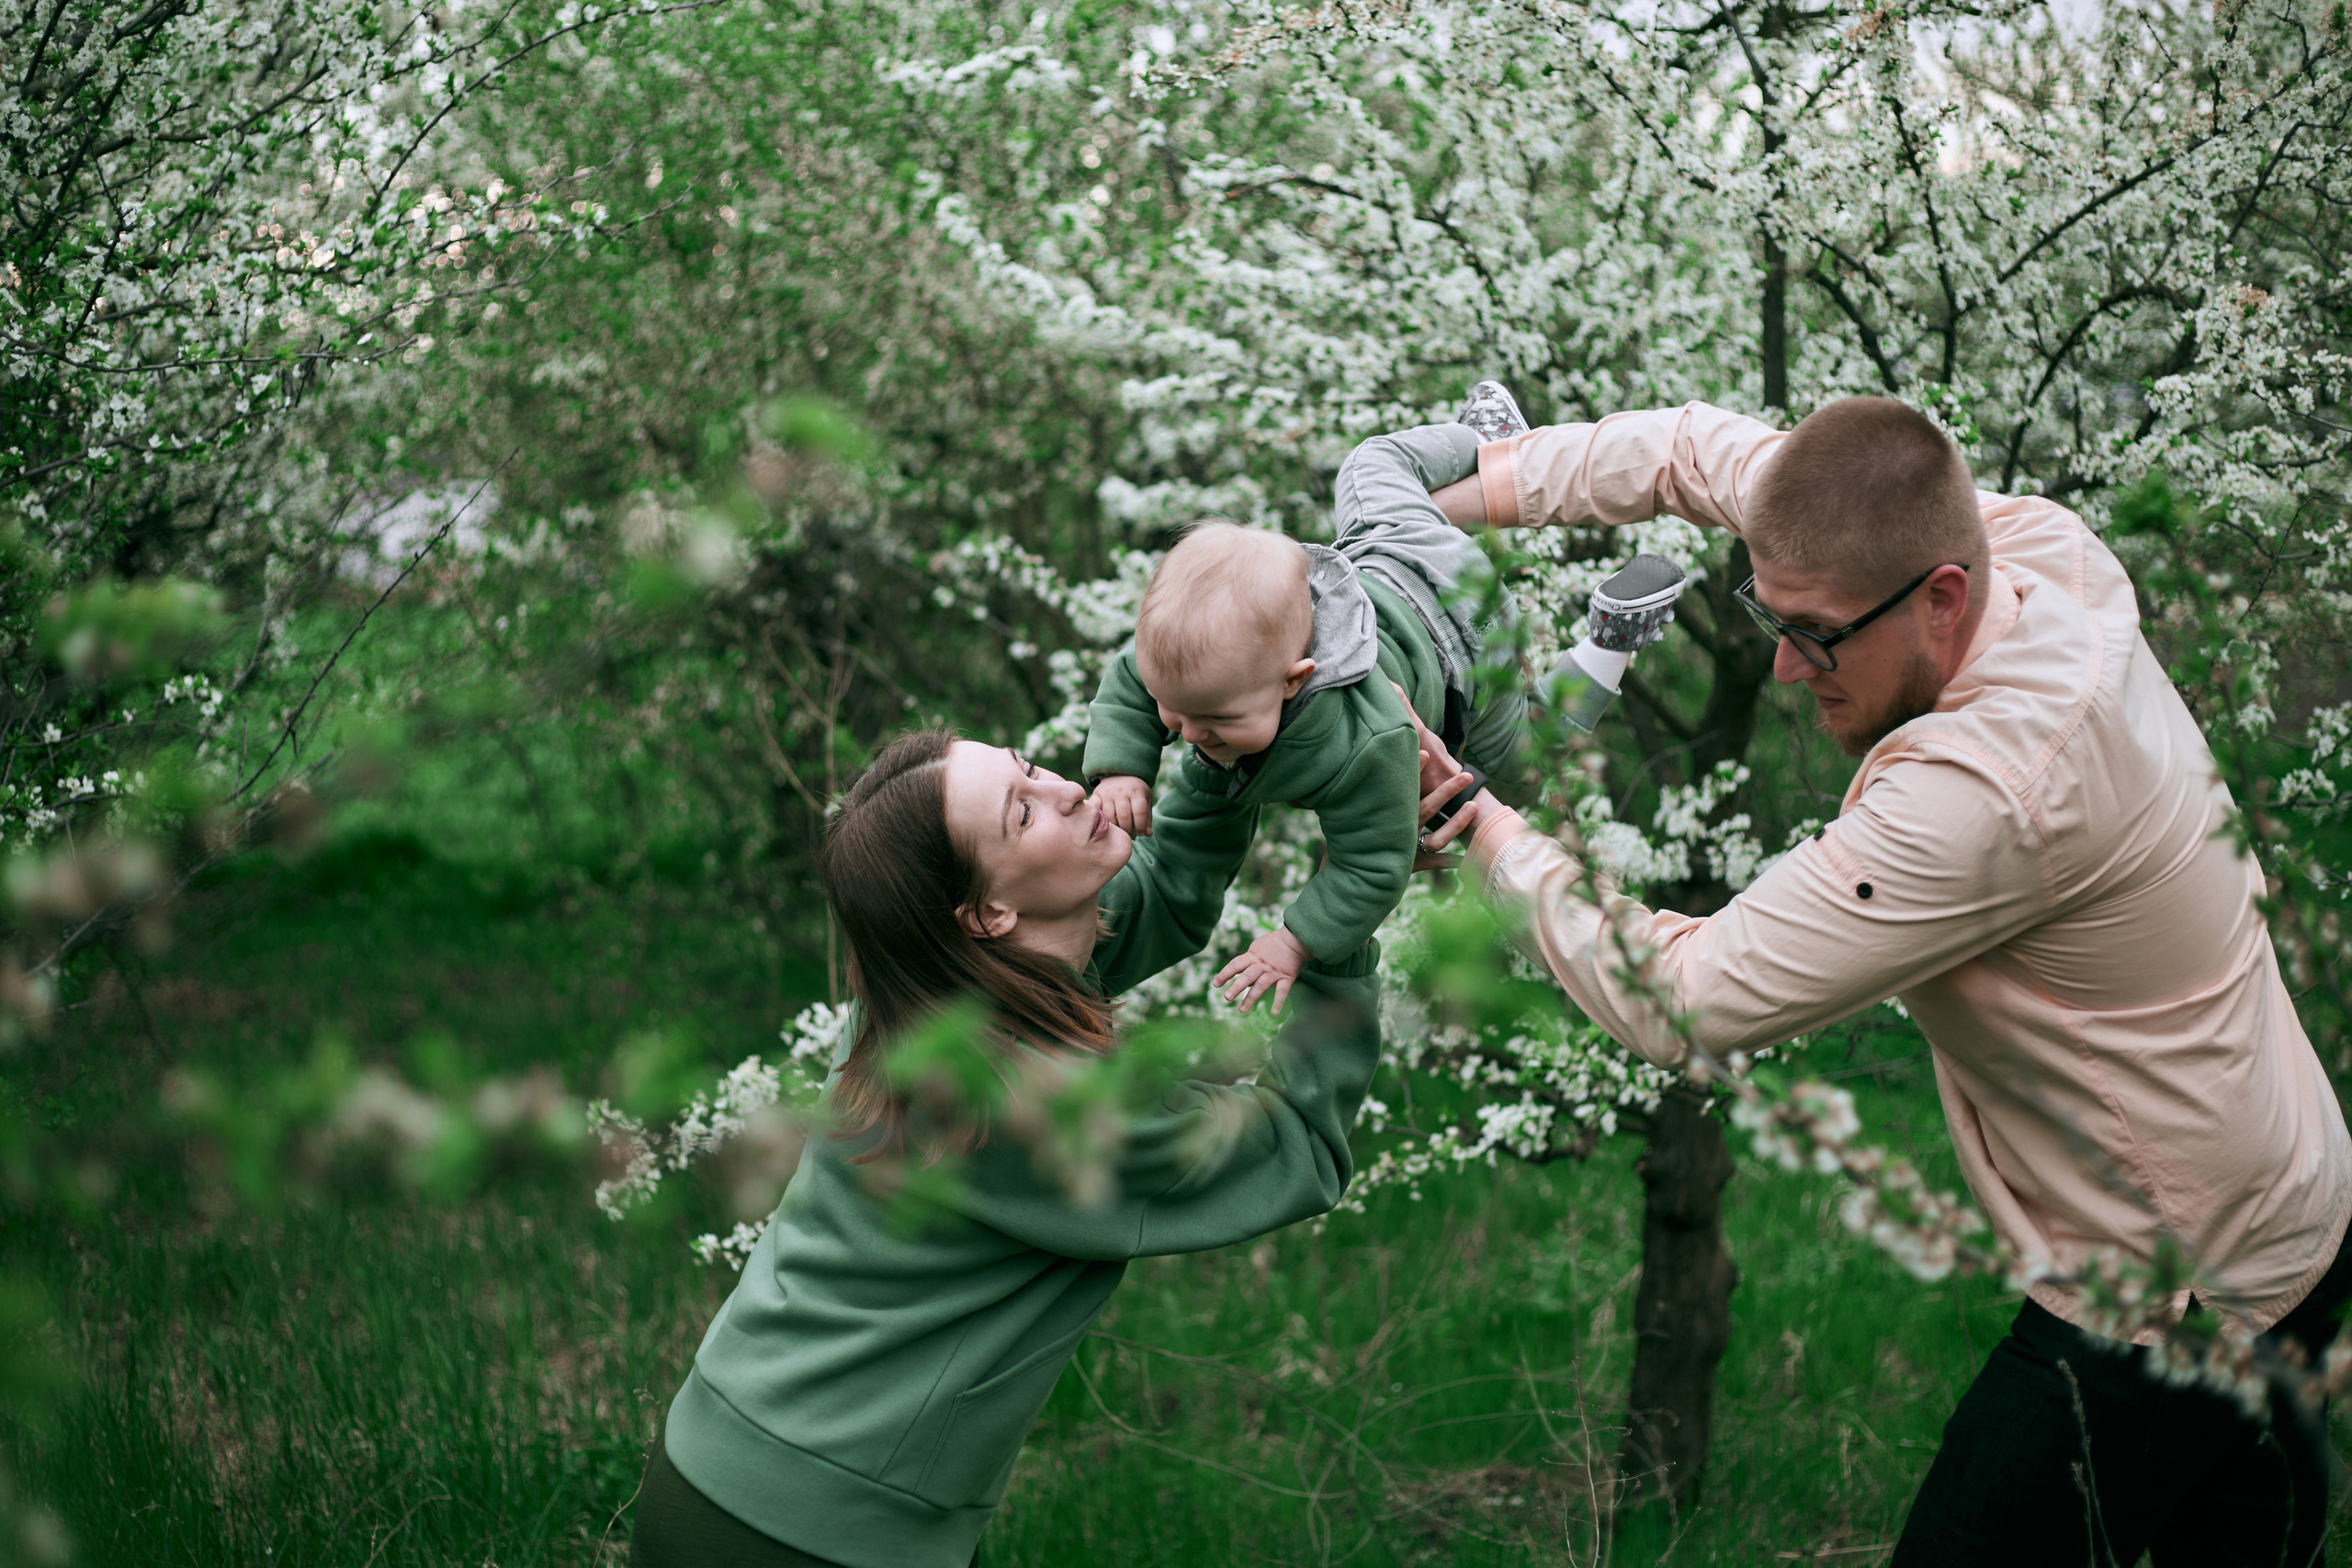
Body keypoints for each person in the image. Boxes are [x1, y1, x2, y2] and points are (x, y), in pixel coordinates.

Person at [1410, 395, 2352, 1564]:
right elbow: (1689, 449)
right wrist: (1434, 496)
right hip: (2297, 1186)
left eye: (1812, 633)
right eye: (1768, 612)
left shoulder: (1990, 792)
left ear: (1939, 600)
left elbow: (1689, 999)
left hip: (2183, 1294)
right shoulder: (2028, 551)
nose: (1783, 665)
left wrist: (1477, 822)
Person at [631, 728, 1403, 1568]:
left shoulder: (936, 987)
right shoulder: (1035, 1108)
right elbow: (1298, 1144)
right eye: (1023, 810)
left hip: (737, 1463)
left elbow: (1173, 885)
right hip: (801, 1528)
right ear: (989, 911)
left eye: (1031, 769)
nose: (1069, 790)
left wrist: (1227, 741)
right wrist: (1345, 919)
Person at [1087, 385, 1666, 1010]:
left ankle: (1607, 640)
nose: (1190, 734)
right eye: (1175, 713)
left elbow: (1374, 861)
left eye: (1217, 721)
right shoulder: (1204, 665)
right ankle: (1482, 445)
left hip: (1473, 642)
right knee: (1370, 468)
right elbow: (1131, 681)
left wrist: (1296, 939)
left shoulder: (1365, 741)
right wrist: (1122, 767)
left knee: (1513, 770)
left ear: (1296, 677)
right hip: (1396, 549)